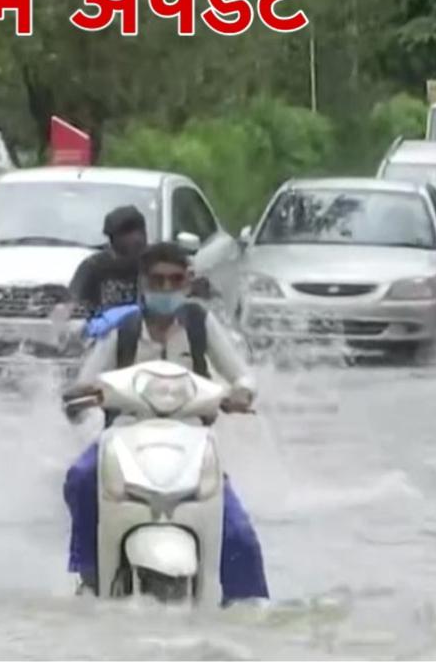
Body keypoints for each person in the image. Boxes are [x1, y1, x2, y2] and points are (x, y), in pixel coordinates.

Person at [63, 242, 268, 604]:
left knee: (238, 534)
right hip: (125, 438)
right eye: (157, 280)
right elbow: (84, 383)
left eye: (175, 280)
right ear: (143, 283)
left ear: (187, 282)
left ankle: (248, 606)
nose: (166, 288)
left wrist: (241, 393)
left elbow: (241, 374)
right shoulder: (123, 330)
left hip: (192, 442)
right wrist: (84, 394)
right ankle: (90, 572)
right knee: (81, 478)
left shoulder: (200, 325)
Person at [68, 206, 148, 318]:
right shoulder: (93, 267)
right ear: (113, 238)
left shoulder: (154, 264)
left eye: (140, 231)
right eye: (128, 233)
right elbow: (72, 305)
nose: (137, 238)